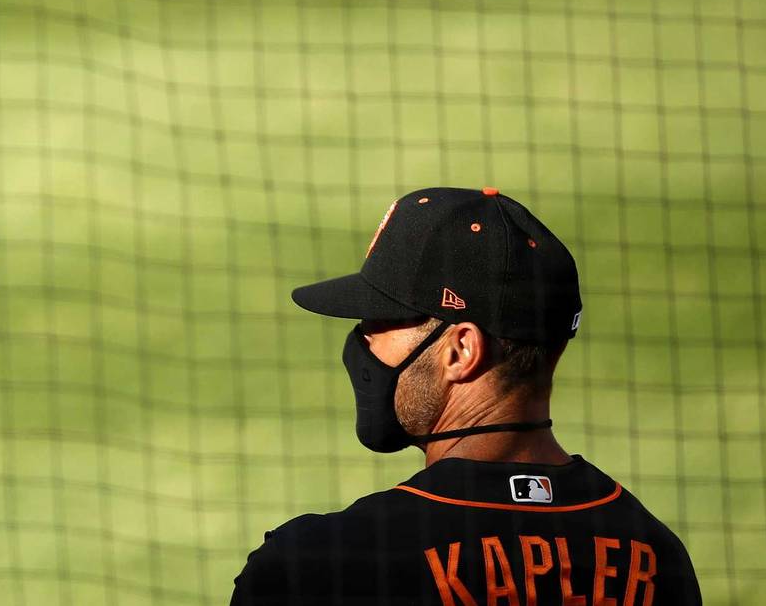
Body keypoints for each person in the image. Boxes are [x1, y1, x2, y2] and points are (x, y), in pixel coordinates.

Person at [229, 186, 701, 606]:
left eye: (379, 322)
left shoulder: (323, 564)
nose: (363, 342)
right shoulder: (656, 558)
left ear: (461, 350)